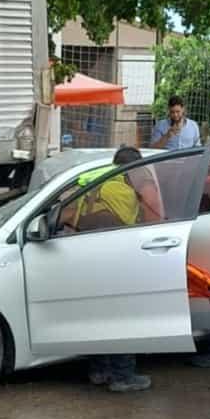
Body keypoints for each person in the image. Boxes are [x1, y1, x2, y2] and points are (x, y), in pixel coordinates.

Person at [73, 146, 154, 392]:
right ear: (133, 169)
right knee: (122, 316)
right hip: (113, 255)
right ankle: (123, 375)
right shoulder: (126, 192)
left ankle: (99, 370)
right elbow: (134, 225)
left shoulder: (95, 183)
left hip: (85, 254)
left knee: (98, 315)